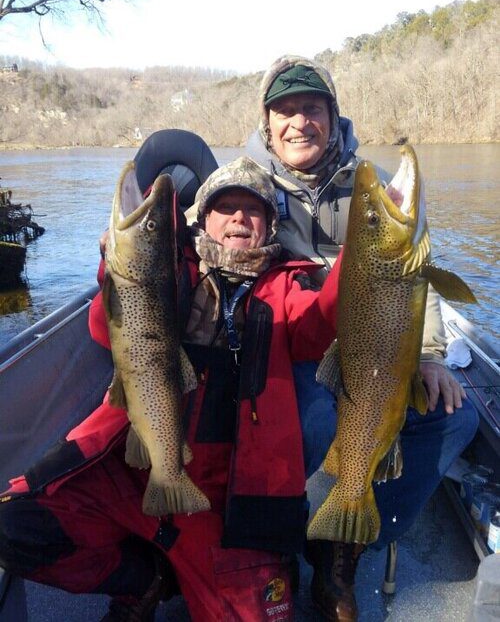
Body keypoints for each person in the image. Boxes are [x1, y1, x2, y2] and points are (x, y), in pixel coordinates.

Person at [0, 156, 344, 622]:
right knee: (14, 526)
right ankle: (142, 580)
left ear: (270, 226)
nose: (240, 217)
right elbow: (106, 331)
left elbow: (319, 322)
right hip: (129, 467)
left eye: (253, 209)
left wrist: (359, 265)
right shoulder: (168, 266)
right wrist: (111, 270)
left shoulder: (287, 288)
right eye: (227, 207)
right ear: (204, 218)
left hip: (224, 498)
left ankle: (188, 564)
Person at [243, 55, 479, 620]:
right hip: (292, 350)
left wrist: (427, 355)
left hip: (379, 346)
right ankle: (304, 533)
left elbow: (413, 276)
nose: (300, 121)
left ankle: (340, 554)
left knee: (456, 417)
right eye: (286, 111)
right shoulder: (243, 186)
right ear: (267, 124)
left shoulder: (368, 187)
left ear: (332, 116)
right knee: (320, 421)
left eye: (312, 109)